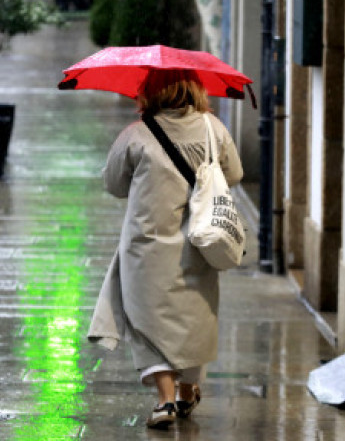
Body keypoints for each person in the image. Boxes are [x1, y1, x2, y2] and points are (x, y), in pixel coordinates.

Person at [87, 69, 243, 430]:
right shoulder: (213, 129)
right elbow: (234, 175)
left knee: (148, 323)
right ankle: (187, 391)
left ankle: (165, 400)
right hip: (200, 243)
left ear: (151, 93)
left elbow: (113, 184)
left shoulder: (136, 135)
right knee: (194, 319)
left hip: (147, 247)